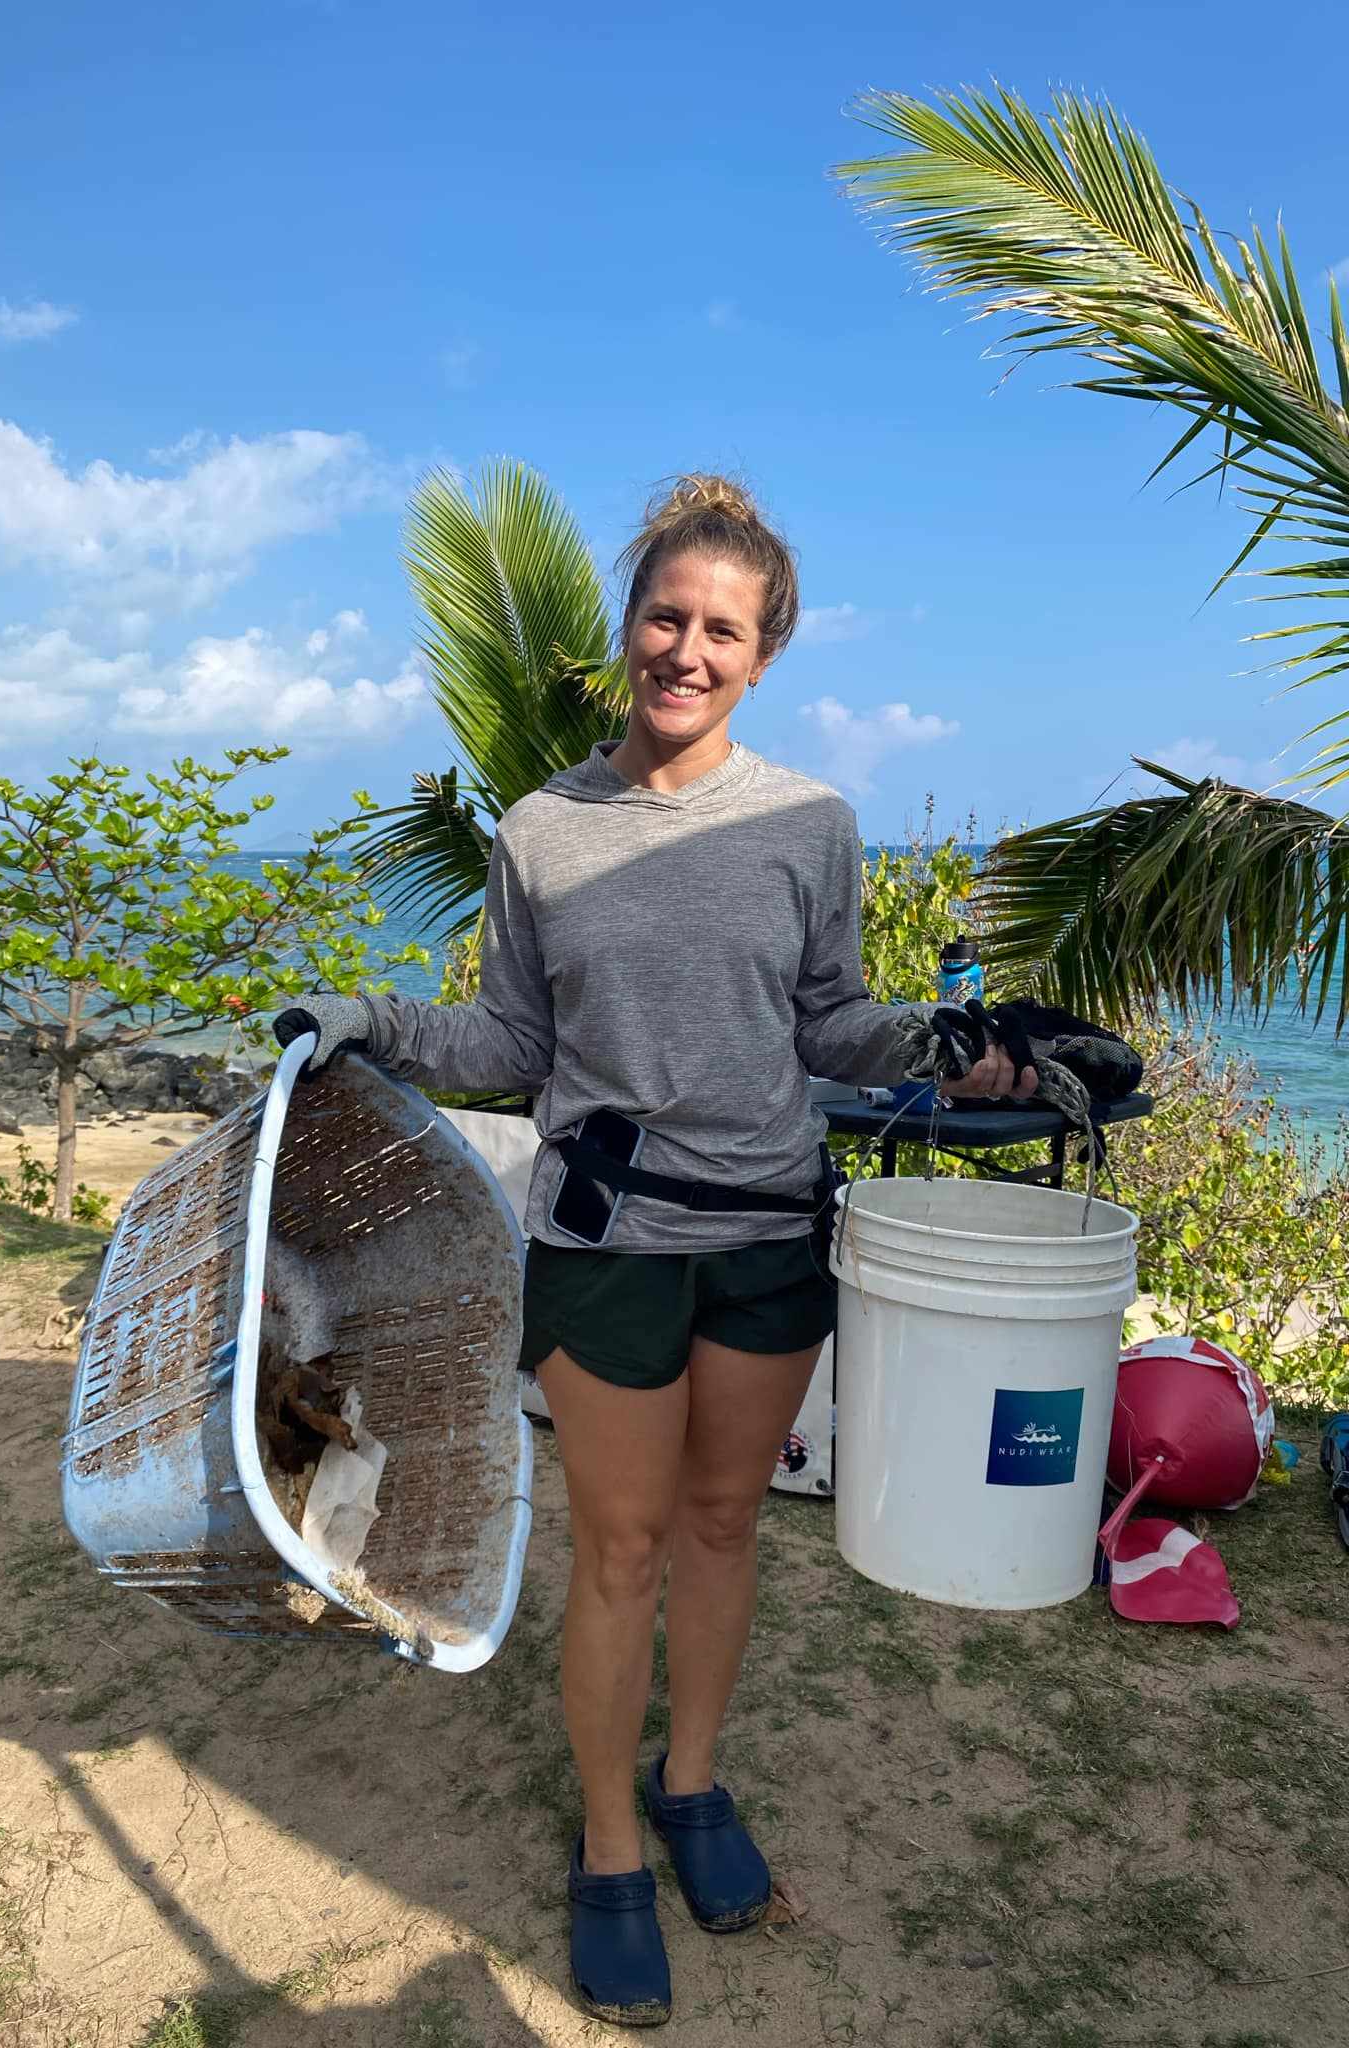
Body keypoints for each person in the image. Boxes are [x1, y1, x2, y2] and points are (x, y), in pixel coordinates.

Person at [274, 474, 1036, 2028]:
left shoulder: (813, 823)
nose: (686, 649)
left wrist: (951, 1043)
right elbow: (509, 1035)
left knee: (722, 1532)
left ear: (764, 656)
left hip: (768, 1235)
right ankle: (611, 1844)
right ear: (631, 628)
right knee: (619, 1550)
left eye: (723, 630)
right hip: (609, 1239)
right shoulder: (544, 828)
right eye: (666, 617)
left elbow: (831, 1019)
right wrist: (365, 1022)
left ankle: (691, 1785)